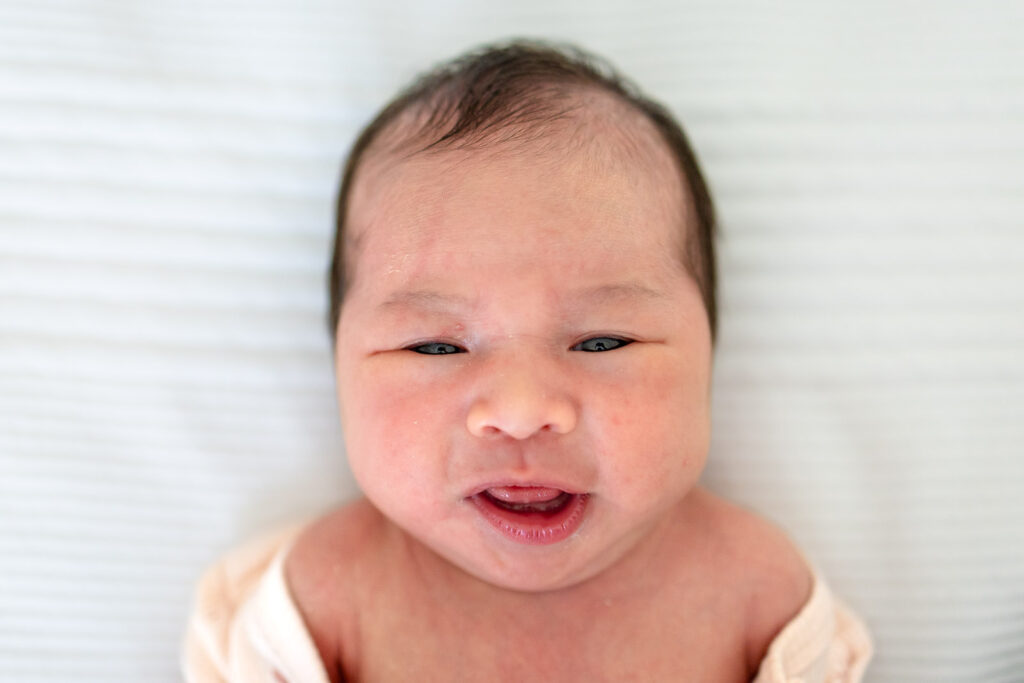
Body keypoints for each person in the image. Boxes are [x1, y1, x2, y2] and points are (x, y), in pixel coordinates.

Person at [182, 40, 872, 682]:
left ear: (708, 356)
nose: (519, 413)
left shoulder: (755, 591)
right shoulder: (328, 598)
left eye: (602, 342)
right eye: (435, 345)